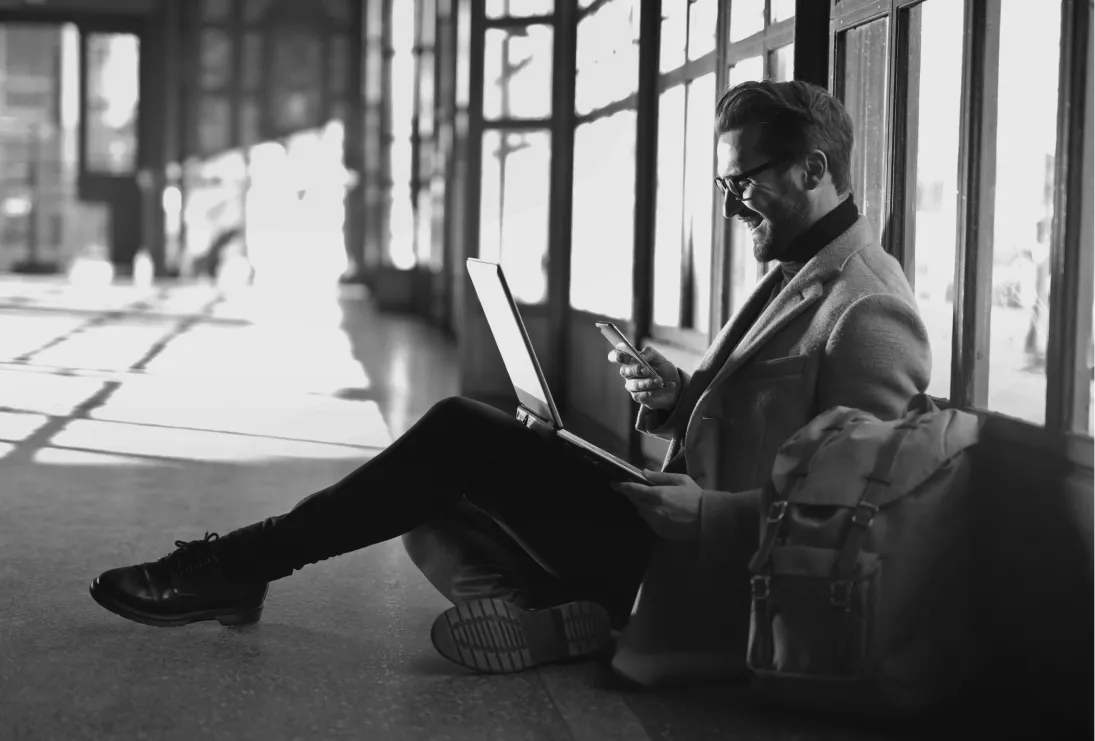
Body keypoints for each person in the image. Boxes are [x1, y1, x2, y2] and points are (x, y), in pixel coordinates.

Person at [89, 80, 930, 684]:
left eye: (743, 182)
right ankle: (553, 614)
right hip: (670, 531)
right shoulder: (794, 265)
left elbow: (865, 520)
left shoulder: (868, 309)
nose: (729, 204)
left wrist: (709, 513)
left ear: (813, 168)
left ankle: (239, 564)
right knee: (425, 503)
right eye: (721, 185)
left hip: (707, 569)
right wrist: (679, 399)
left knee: (455, 434)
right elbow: (773, 431)